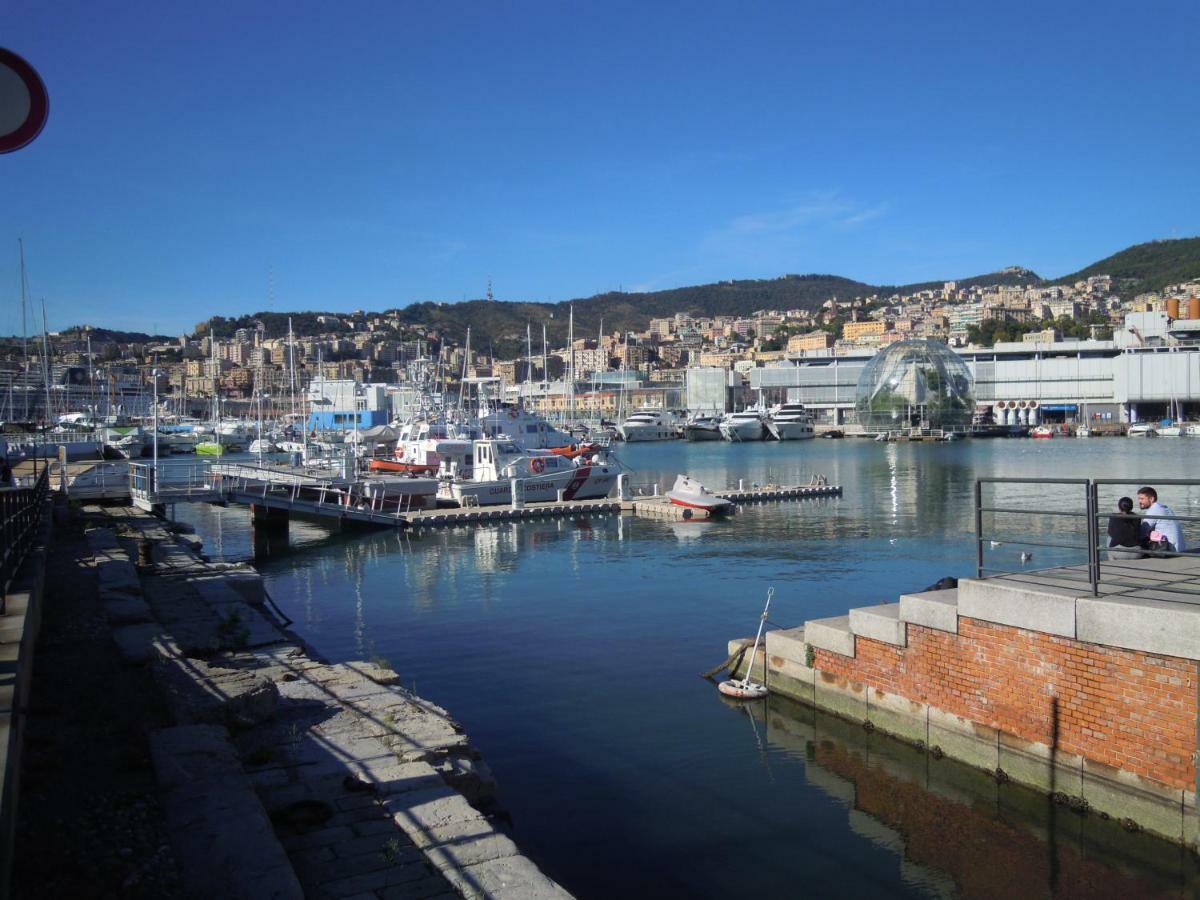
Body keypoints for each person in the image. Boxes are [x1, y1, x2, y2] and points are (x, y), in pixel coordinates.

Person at [1137, 486, 1186, 553]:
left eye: (1142, 499)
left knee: (1136, 543)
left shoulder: (1154, 510)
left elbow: (1142, 533)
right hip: (1180, 548)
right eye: (1139, 499)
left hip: (1168, 549)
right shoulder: (1164, 507)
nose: (1139, 501)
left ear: (1151, 499)